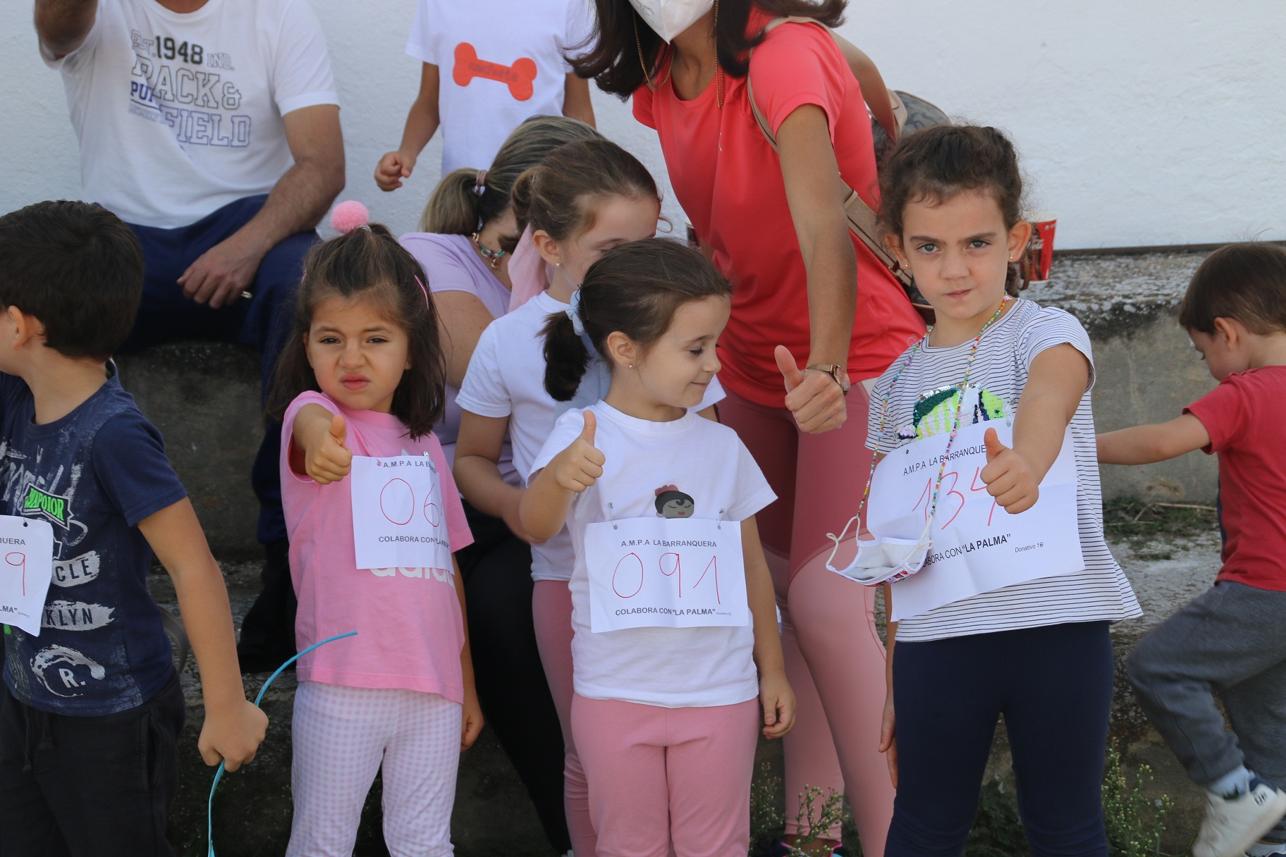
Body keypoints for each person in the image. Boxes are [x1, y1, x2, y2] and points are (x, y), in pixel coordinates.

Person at [573, 2, 925, 852]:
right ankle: (813, 838)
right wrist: (881, 106)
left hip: (859, 357)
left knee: (830, 601)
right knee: (775, 587)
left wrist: (833, 370)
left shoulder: (781, 53)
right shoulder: (662, 74)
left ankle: (897, 839)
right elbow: (857, 62)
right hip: (753, 366)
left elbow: (819, 229)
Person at [33, 0, 347, 673]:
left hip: (249, 228)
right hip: (122, 237)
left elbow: (322, 164)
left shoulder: (280, 16)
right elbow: (57, 27)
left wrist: (248, 245)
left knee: (312, 293)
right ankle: (28, 568)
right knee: (22, 299)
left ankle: (289, 585)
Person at [869, 125, 1142, 856]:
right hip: (940, 641)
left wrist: (1027, 456)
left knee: (1066, 826)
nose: (954, 267)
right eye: (929, 246)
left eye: (977, 242)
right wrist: (895, 674)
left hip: (1059, 631)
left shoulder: (1045, 331)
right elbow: (903, 555)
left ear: (1017, 238)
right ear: (898, 250)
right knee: (924, 825)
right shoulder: (892, 387)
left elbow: (1052, 392)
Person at [454, 138, 725, 856]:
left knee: (683, 755)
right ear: (547, 244)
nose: (637, 264)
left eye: (649, 241)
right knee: (587, 754)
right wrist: (520, 509)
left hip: (683, 584)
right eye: (612, 248)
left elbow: (715, 451)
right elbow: (473, 458)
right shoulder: (509, 341)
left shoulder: (683, 333)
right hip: (567, 581)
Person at [0, 200, 267, 857]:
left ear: (16, 325)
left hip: (111, 717)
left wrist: (227, 705)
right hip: (20, 693)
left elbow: (193, 565)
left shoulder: (114, 433)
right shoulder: (16, 398)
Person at [520, 238, 796, 857]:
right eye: (695, 348)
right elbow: (535, 527)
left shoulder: (722, 447)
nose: (713, 364)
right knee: (628, 844)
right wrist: (560, 477)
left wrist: (771, 668)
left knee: (718, 846)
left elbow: (749, 564)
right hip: (614, 692)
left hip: (720, 693)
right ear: (625, 348)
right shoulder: (580, 435)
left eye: (717, 345)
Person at [399, 114, 598, 856]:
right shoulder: (432, 256)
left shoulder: (589, 277)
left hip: (555, 506)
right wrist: (532, 280)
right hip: (452, 509)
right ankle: (578, 835)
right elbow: (498, 373)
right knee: (507, 610)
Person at [265, 220, 482, 856]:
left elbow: (448, 571)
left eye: (375, 338)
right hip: (341, 682)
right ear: (306, 345)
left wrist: (465, 680)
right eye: (331, 338)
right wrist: (315, 440)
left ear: (410, 348)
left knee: (424, 843)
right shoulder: (318, 420)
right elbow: (307, 421)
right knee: (322, 842)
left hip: (433, 688)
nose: (351, 358)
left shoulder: (425, 449)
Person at [1098, 244, 1286, 857]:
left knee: (1160, 666)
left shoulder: (1247, 393)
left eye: (1205, 353)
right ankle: (1268, 840)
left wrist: (1066, 442)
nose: (1210, 367)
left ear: (1228, 332)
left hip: (1262, 591)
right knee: (1269, 738)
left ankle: (1233, 795)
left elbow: (1160, 442)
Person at [374, 0, 597, 190]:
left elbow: (578, 110)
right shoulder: (437, 4)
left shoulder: (569, 4)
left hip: (538, 190)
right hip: (461, 192)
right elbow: (429, 100)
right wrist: (406, 153)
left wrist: (593, 178)